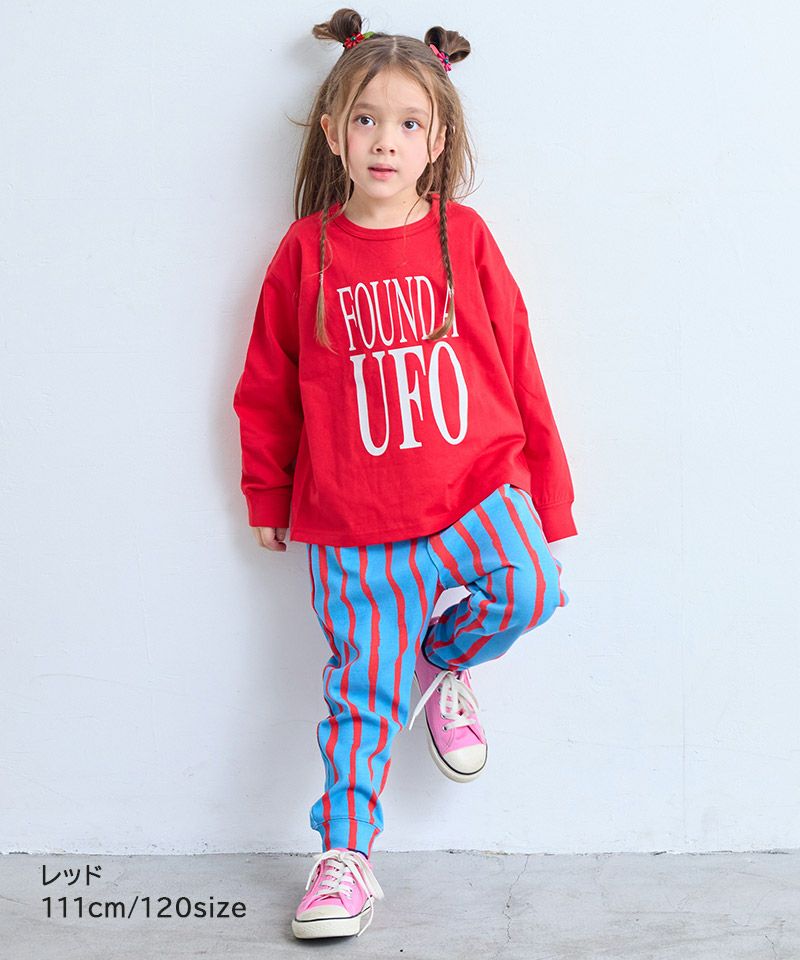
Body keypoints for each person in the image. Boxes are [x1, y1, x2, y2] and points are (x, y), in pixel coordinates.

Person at [232, 7, 578, 941]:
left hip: (476, 492)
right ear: (334, 133)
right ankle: (344, 860)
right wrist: (267, 490)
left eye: (409, 122)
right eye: (366, 119)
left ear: (438, 141)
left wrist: (549, 495)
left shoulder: (465, 237)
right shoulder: (305, 252)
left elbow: (519, 363)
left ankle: (445, 658)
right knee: (362, 702)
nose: (386, 140)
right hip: (354, 528)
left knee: (534, 587)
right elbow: (268, 383)